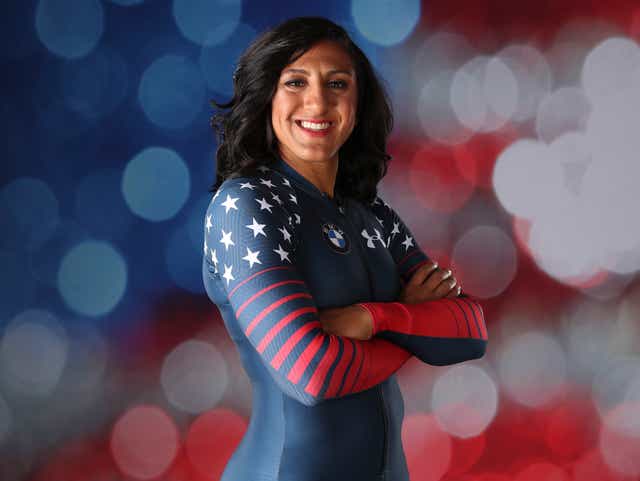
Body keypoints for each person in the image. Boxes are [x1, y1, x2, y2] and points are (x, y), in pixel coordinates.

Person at [203, 16, 488, 481]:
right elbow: (309, 373)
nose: (318, 100)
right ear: (266, 98)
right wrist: (414, 326)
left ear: (358, 104)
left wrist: (375, 318)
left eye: (337, 83)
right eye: (295, 82)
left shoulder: (371, 214)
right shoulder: (247, 204)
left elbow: (470, 332)